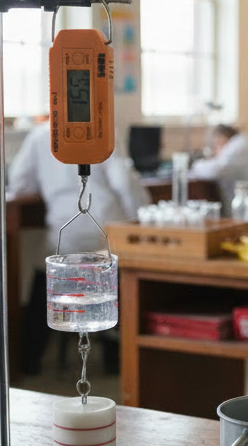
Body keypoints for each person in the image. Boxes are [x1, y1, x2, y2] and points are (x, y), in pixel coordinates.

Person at [8, 119, 150, 373]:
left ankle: (28, 361)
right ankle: (115, 359)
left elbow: (19, 183)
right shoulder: (101, 128)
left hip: (65, 227)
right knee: (113, 284)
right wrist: (139, 219)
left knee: (46, 278)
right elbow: (123, 180)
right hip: (104, 225)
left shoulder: (40, 135)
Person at [189, 124, 248, 213]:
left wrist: (194, 164)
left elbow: (216, 169)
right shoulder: (245, 142)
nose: (216, 150)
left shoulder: (239, 146)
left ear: (221, 136)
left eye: (216, 145)